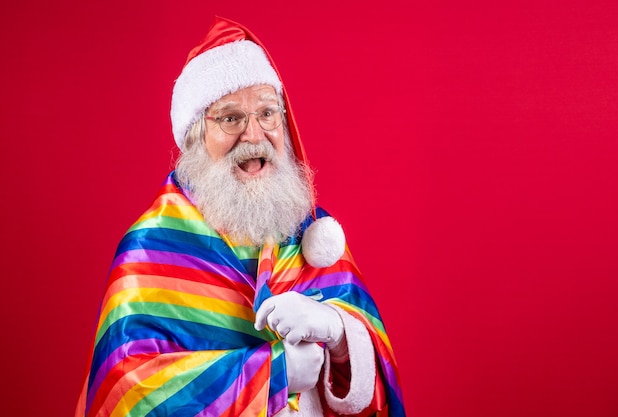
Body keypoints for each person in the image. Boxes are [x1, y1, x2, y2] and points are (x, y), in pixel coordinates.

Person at [75, 16, 405, 417]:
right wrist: (274, 372)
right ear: (195, 137)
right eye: (231, 118)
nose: (253, 135)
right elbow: (128, 392)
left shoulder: (312, 232)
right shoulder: (150, 248)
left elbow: (377, 385)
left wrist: (337, 331)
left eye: (268, 114)